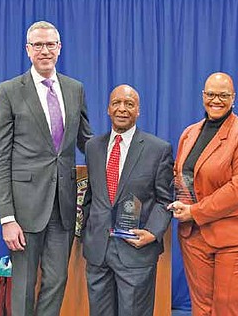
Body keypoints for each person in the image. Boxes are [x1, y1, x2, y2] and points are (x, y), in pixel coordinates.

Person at [0, 20, 93, 316]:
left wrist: (124, 150)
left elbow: (86, 140)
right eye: (38, 45)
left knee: (57, 280)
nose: (44, 50)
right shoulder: (8, 91)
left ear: (59, 48)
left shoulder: (75, 89)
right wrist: (6, 217)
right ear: (28, 50)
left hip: (63, 206)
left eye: (50, 44)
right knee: (23, 284)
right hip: (23, 211)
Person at [168, 72, 238, 316]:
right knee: (201, 310)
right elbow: (180, 175)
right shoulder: (189, 133)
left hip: (236, 238)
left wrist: (194, 211)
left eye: (223, 95)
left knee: (229, 310)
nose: (216, 100)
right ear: (203, 96)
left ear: (233, 98)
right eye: (211, 94)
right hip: (194, 238)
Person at [81, 85, 173, 316]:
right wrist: (87, 233)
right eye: (117, 103)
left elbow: (165, 200)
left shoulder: (158, 149)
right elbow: (91, 196)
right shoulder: (92, 147)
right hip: (98, 252)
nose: (122, 109)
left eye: (129, 104)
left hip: (136, 252)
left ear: (138, 111)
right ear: (108, 109)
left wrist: (153, 233)